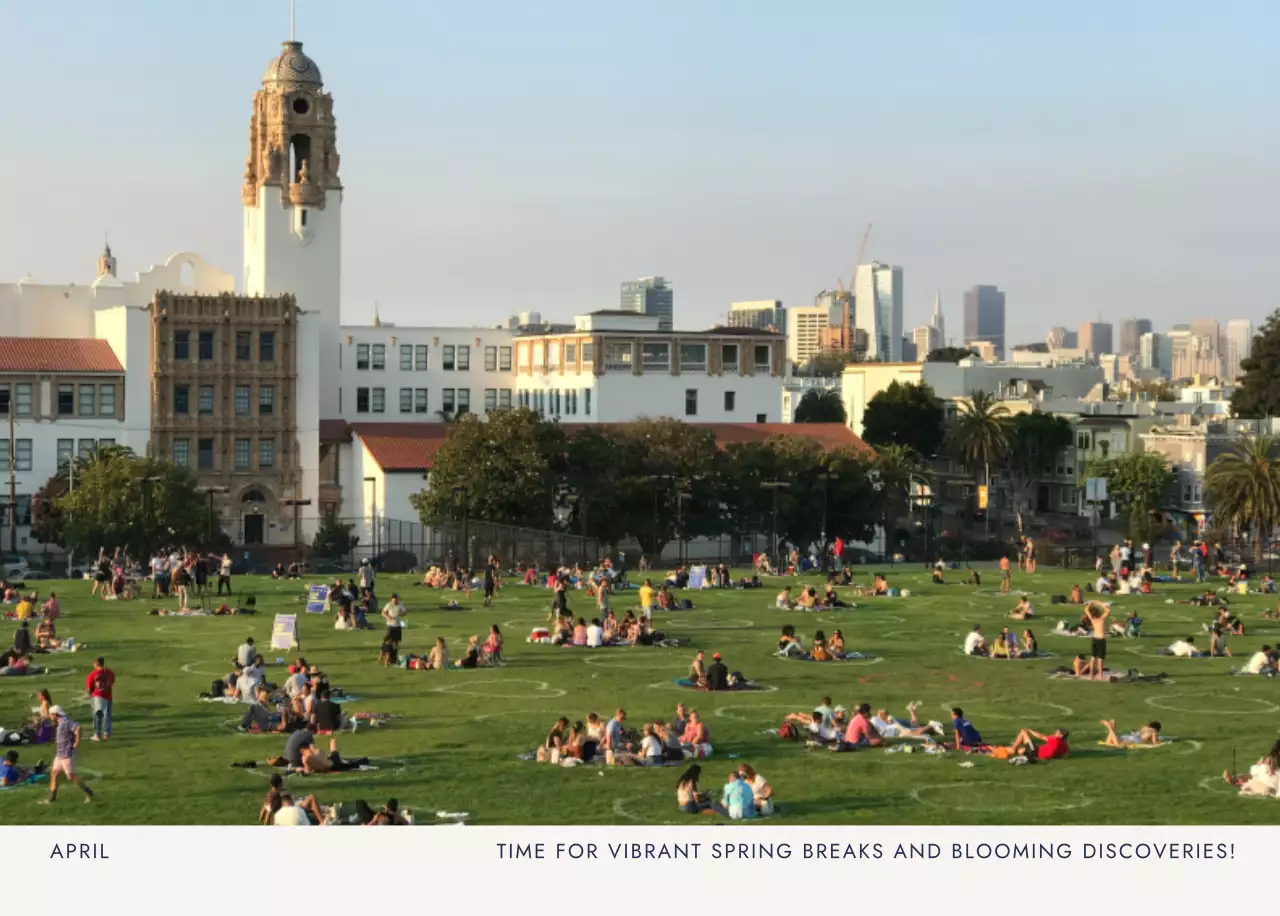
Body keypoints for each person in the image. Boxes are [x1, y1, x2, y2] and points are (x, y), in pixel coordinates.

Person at [39, 707, 94, 805]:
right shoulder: (59, 722)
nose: (50, 716)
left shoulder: (65, 722)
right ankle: (52, 799)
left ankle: (89, 794)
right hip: (59, 754)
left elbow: (77, 727)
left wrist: (77, 741)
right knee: (54, 773)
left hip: (67, 754)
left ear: (55, 714)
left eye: (51, 714)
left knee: (71, 776)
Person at [85, 656, 115, 741]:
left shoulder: (92, 674)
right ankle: (106, 734)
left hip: (97, 697)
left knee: (97, 716)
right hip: (108, 696)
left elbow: (89, 688)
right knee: (107, 715)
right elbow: (112, 681)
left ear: (95, 664)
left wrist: (90, 694)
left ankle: (97, 735)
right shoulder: (109, 672)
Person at [1085, 600, 1110, 681]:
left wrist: (1091, 603)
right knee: (1100, 658)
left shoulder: (1092, 619)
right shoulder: (1101, 619)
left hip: (1094, 639)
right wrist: (1100, 603)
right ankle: (1100, 675)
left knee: (1093, 657)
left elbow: (1086, 610)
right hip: (1101, 640)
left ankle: (1091, 676)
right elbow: (1107, 610)